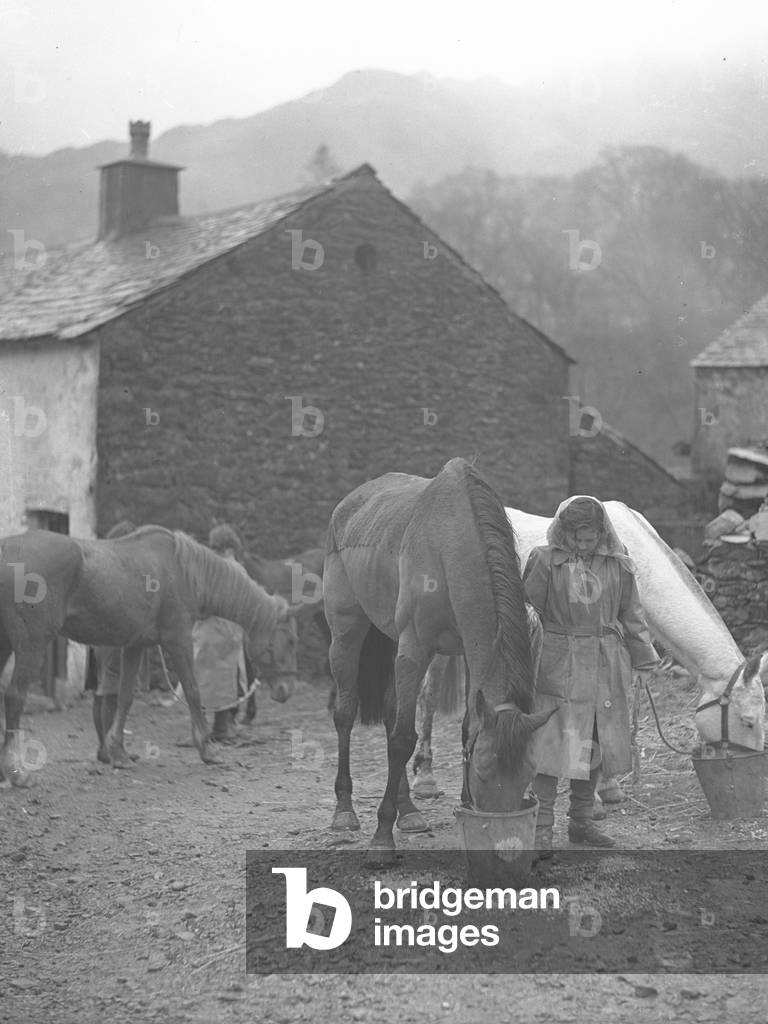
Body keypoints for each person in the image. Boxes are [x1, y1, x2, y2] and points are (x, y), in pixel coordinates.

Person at [523, 495, 660, 856]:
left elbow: (632, 614)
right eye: (578, 538)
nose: (584, 545)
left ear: (602, 533)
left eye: (590, 538)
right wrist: (522, 663)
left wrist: (644, 662)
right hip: (558, 660)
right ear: (564, 532)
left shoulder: (617, 563)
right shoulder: (543, 561)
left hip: (604, 660)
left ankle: (581, 823)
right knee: (552, 743)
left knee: (595, 741)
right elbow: (526, 614)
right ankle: (541, 831)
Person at [86, 519, 148, 762]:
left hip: (95, 635)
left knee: (101, 691)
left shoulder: (100, 564)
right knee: (110, 690)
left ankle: (104, 747)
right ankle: (112, 749)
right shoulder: (119, 567)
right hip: (111, 635)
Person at [191, 524, 249, 743]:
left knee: (204, 680)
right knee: (223, 680)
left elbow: (201, 601)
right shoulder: (238, 569)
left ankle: (205, 729)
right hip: (228, 632)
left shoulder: (212, 569)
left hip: (210, 631)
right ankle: (222, 728)